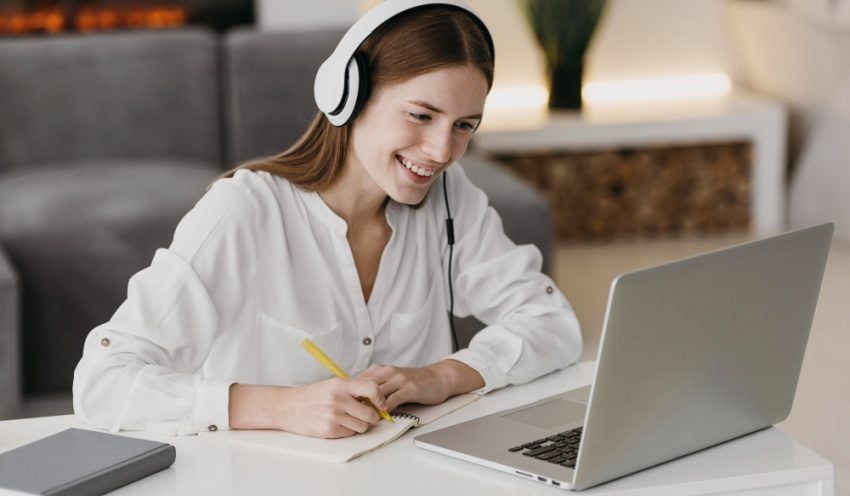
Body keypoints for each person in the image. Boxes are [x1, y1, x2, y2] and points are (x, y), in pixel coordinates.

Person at [73, 0, 582, 439]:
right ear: (348, 97)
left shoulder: (452, 200)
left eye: (464, 126)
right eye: (421, 116)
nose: (442, 150)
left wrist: (445, 375)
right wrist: (281, 407)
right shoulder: (246, 210)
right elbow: (104, 381)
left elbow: (551, 323)